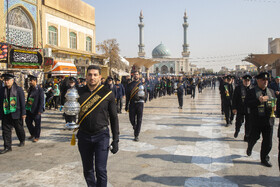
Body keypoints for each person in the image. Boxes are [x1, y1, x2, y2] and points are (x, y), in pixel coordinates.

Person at [77, 65, 119, 187]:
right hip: (84, 136)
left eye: (95, 75)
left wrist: (116, 139)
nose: (92, 77)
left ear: (100, 77)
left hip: (101, 135)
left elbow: (114, 117)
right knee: (88, 170)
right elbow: (71, 112)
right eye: (90, 74)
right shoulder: (79, 93)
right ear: (86, 76)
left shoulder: (107, 94)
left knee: (101, 170)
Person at [245, 72, 276, 167]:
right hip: (256, 120)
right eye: (263, 80)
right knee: (254, 137)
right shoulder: (251, 91)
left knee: (268, 142)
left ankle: (264, 158)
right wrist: (258, 101)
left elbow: (274, 103)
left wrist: (275, 107)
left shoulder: (271, 91)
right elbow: (247, 104)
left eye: (266, 80)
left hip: (269, 121)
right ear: (258, 80)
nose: (265, 82)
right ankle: (250, 146)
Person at [0, 73, 26, 154]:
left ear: (12, 80)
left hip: (16, 113)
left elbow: (22, 102)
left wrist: (23, 113)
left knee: (19, 129)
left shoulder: (18, 89)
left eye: (8, 80)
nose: (6, 82)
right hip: (6, 113)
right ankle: (7, 147)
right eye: (5, 80)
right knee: (6, 131)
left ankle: (22, 139)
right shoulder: (2, 90)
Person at [125, 71, 146, 141]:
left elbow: (145, 94)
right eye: (135, 74)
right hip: (132, 103)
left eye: (137, 74)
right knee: (131, 118)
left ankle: (136, 135)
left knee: (139, 119)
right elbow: (127, 96)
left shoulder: (141, 85)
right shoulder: (129, 85)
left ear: (139, 75)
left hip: (140, 104)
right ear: (133, 75)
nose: (136, 76)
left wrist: (142, 98)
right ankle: (134, 125)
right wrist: (126, 105)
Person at [232, 75, 253, 141]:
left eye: (248, 81)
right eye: (245, 81)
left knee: (249, 123)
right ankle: (237, 131)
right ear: (243, 81)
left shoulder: (253, 89)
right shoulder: (238, 88)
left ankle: (247, 135)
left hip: (249, 109)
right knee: (239, 121)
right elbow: (234, 99)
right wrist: (234, 108)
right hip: (240, 108)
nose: (247, 82)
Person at [25, 75, 45, 142]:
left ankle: (37, 136)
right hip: (29, 108)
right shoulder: (30, 88)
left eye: (31, 81)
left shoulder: (39, 89)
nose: (30, 82)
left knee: (37, 124)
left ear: (35, 81)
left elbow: (42, 100)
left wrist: (40, 110)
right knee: (28, 122)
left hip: (36, 109)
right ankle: (33, 133)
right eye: (30, 81)